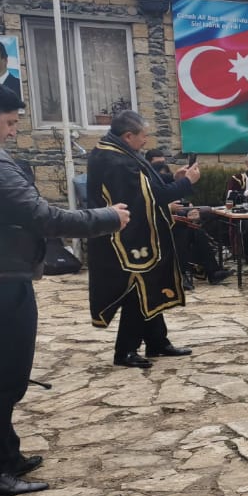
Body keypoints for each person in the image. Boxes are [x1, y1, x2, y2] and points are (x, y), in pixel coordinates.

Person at [0, 81, 128, 496]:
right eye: (10, 122)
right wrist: (106, 217)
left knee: (1, 376)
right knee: (1, 378)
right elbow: (40, 216)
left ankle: (6, 455)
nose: (14, 131)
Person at [87, 110, 199, 368]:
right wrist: (186, 184)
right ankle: (125, 350)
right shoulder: (116, 161)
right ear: (128, 136)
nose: (146, 140)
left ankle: (156, 341)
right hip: (126, 239)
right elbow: (153, 196)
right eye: (143, 135)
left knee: (149, 286)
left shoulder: (118, 152)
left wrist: (173, 178)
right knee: (136, 289)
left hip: (133, 233)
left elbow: (146, 185)